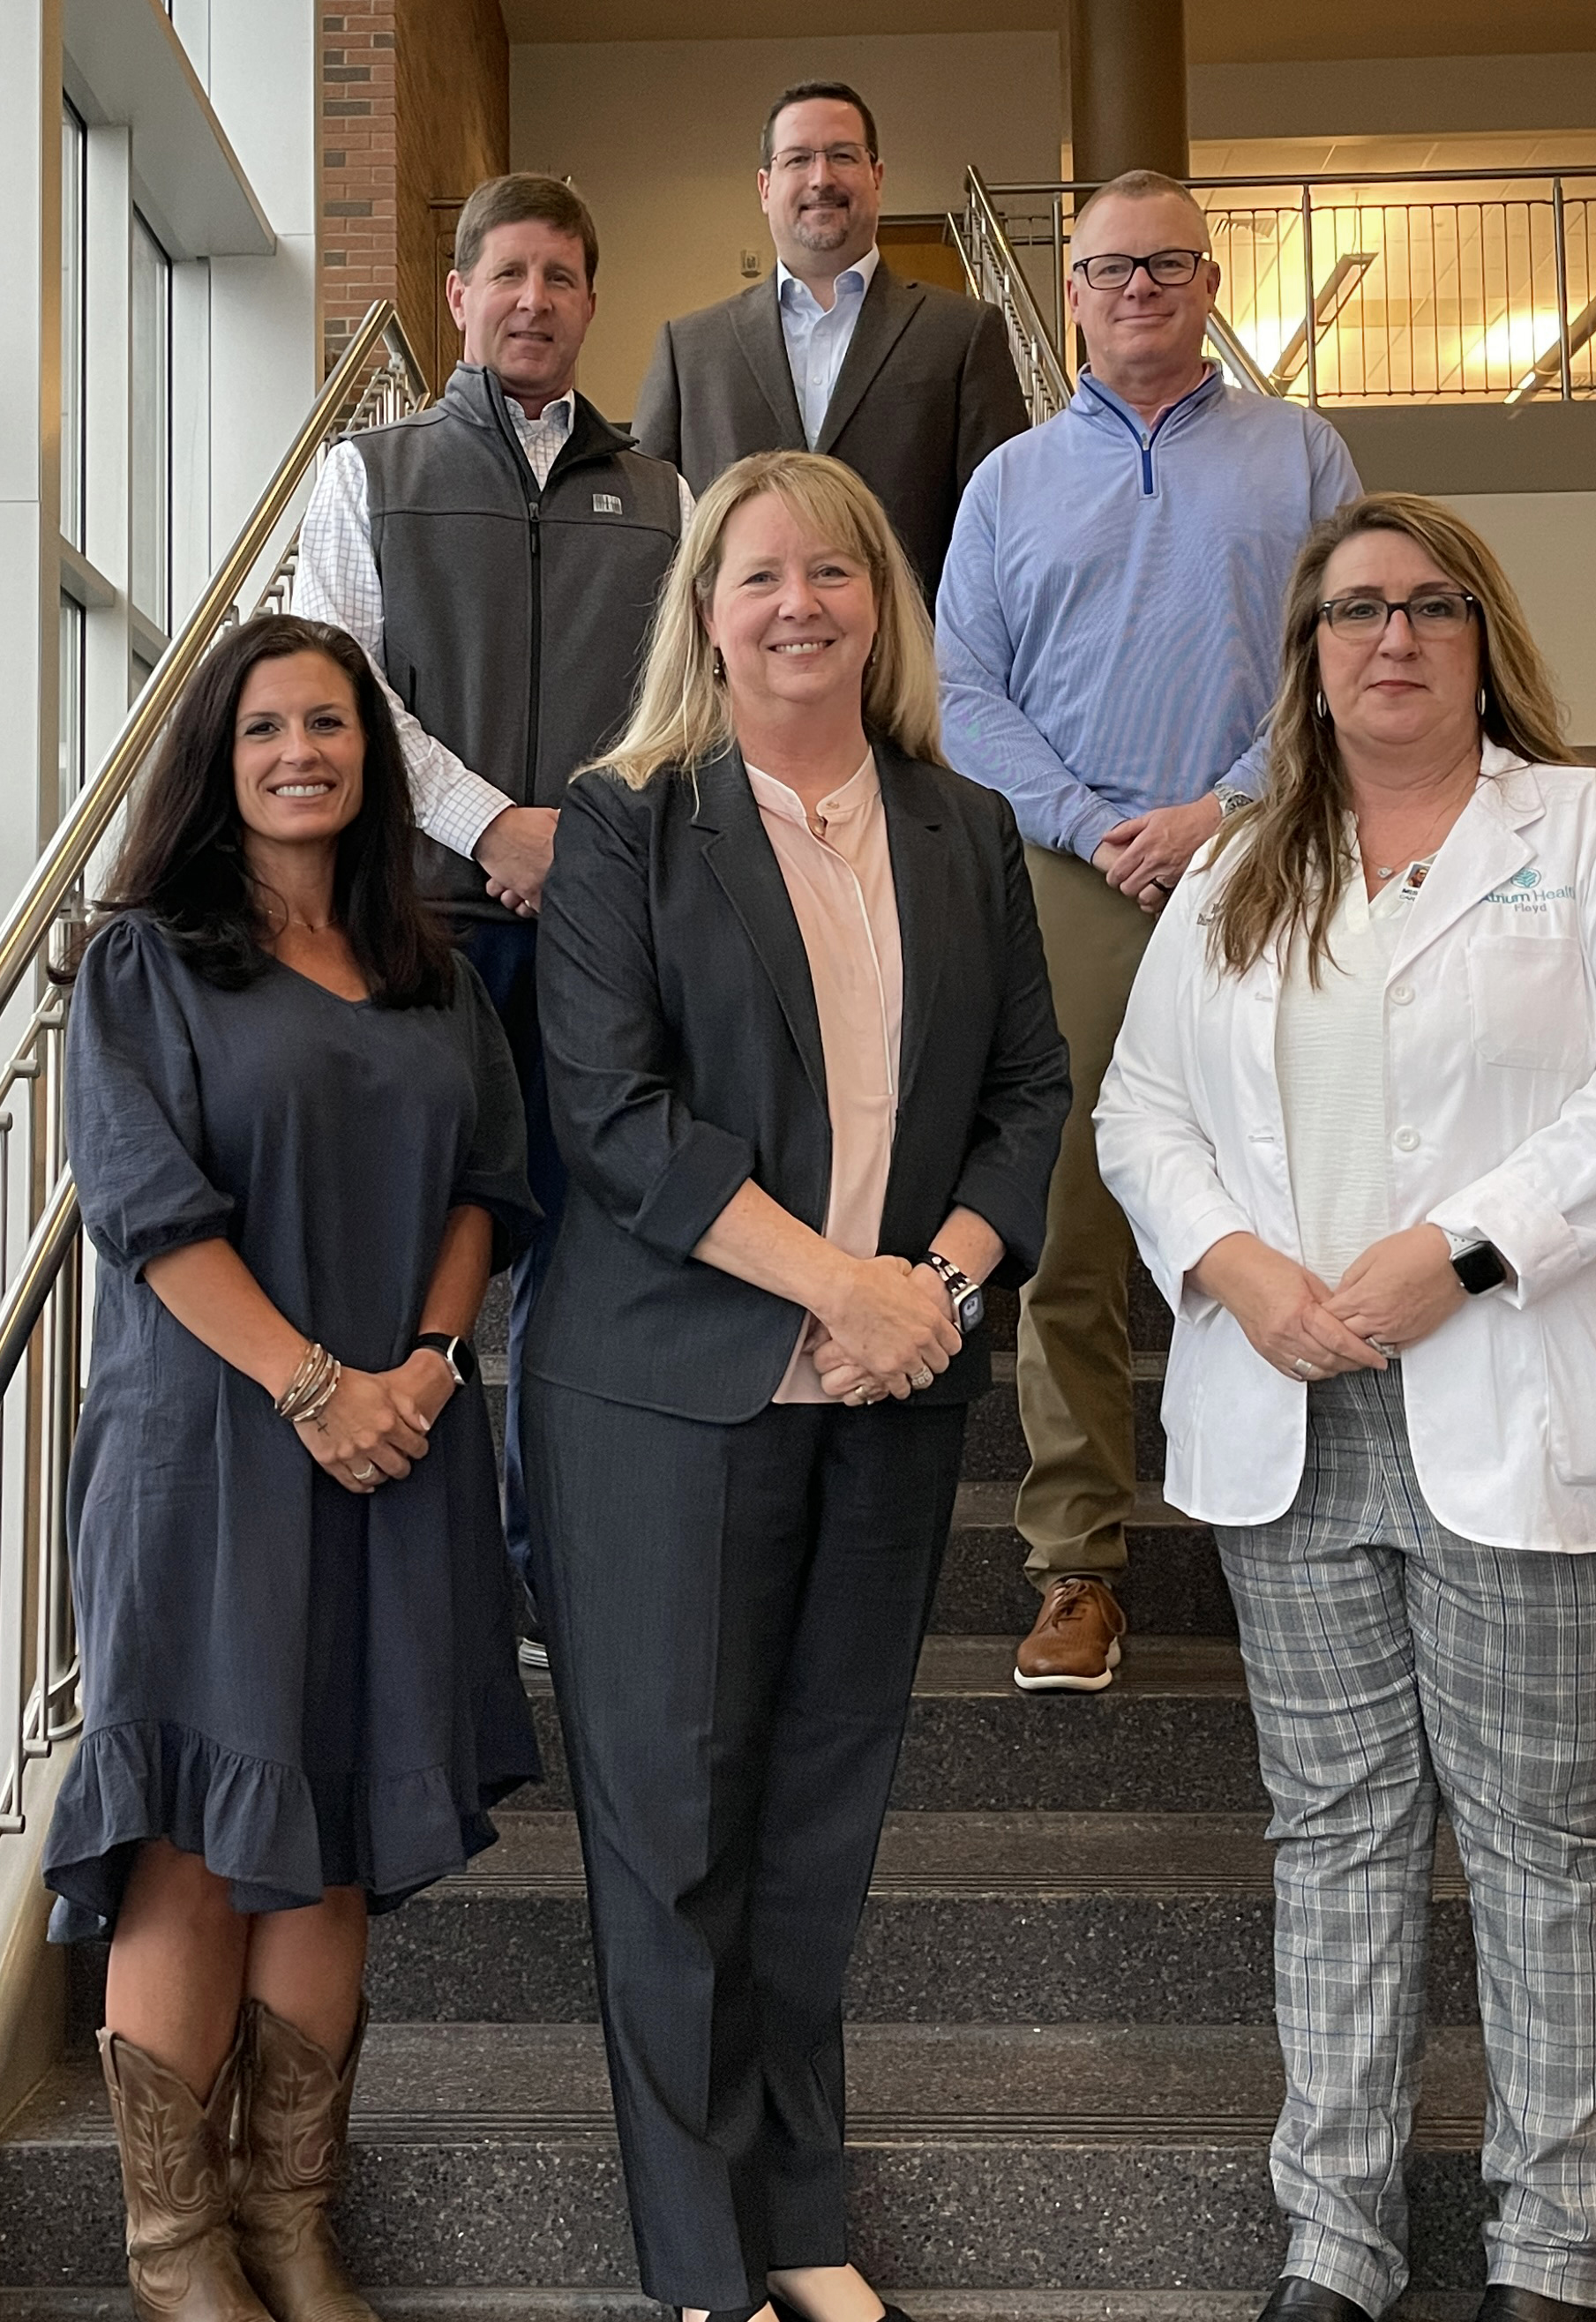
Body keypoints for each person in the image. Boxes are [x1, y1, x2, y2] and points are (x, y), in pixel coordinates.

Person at [1095, 492, 1596, 2322]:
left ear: (1483, 639)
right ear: (1303, 659)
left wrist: (1454, 1255)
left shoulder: (1593, 830)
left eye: (1433, 606)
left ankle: (1553, 2251)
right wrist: (1240, 1269)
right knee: (1339, 1828)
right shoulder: (1240, 871)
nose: (1395, 635)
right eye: (1356, 609)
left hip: (1523, 1409)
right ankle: (1338, 2238)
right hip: (1291, 1414)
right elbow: (1141, 1110)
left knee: (1542, 1838)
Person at [523, 449, 1068, 2322]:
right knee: (673, 1830)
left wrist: (936, 1287)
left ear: (880, 605)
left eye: (833, 573)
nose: (798, 605)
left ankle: (806, 2221)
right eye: (759, 575)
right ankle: (702, 2266)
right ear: (706, 608)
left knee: (819, 1825)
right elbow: (612, 1119)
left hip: (891, 1390)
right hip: (668, 1397)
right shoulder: (625, 822)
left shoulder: (962, 824)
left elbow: (1026, 1099)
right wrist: (839, 1281)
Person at [41, 614, 541, 2322]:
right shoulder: (148, 962)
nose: (300, 752)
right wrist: (315, 1381)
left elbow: (489, 1184)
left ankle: (285, 2219)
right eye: (266, 728)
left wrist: (416, 1368)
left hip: (395, 1443)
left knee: (334, 1829)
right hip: (211, 1452)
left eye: (329, 724)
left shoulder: (431, 971)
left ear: (369, 755)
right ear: (219, 757)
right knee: (195, 1829)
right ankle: (177, 2252)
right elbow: (143, 1205)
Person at [936, 167, 1361, 1691]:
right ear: (1069, 290)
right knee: (1068, 1221)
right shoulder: (1006, 485)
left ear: (1210, 279)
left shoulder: (1301, 454)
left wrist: (1218, 812)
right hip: (1070, 877)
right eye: (1111, 271)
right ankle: (1076, 1567)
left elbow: (1345, 654)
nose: (1138, 292)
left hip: (1268, 865)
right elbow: (961, 692)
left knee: (1291, 1201)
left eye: (1166, 266)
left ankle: (1312, 1539)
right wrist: (1089, 821)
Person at [294, 171, 686, 1650]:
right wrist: (485, 823)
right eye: (505, 274)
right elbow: (337, 691)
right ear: (457, 295)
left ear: (593, 302)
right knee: (412, 1254)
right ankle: (414, 1574)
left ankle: (552, 1569)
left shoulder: (665, 499)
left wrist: (574, 843)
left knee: (585, 1267)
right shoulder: (364, 477)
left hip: (603, 937)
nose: (533, 301)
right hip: (415, 929)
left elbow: (685, 705)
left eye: (561, 278)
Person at [633, 80, 1028, 604]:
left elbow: (1002, 530)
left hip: (910, 673)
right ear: (765, 186)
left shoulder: (962, 334)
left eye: (843, 156)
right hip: (735, 676)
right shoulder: (690, 351)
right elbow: (650, 541)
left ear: (877, 176)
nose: (821, 178)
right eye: (797, 159)